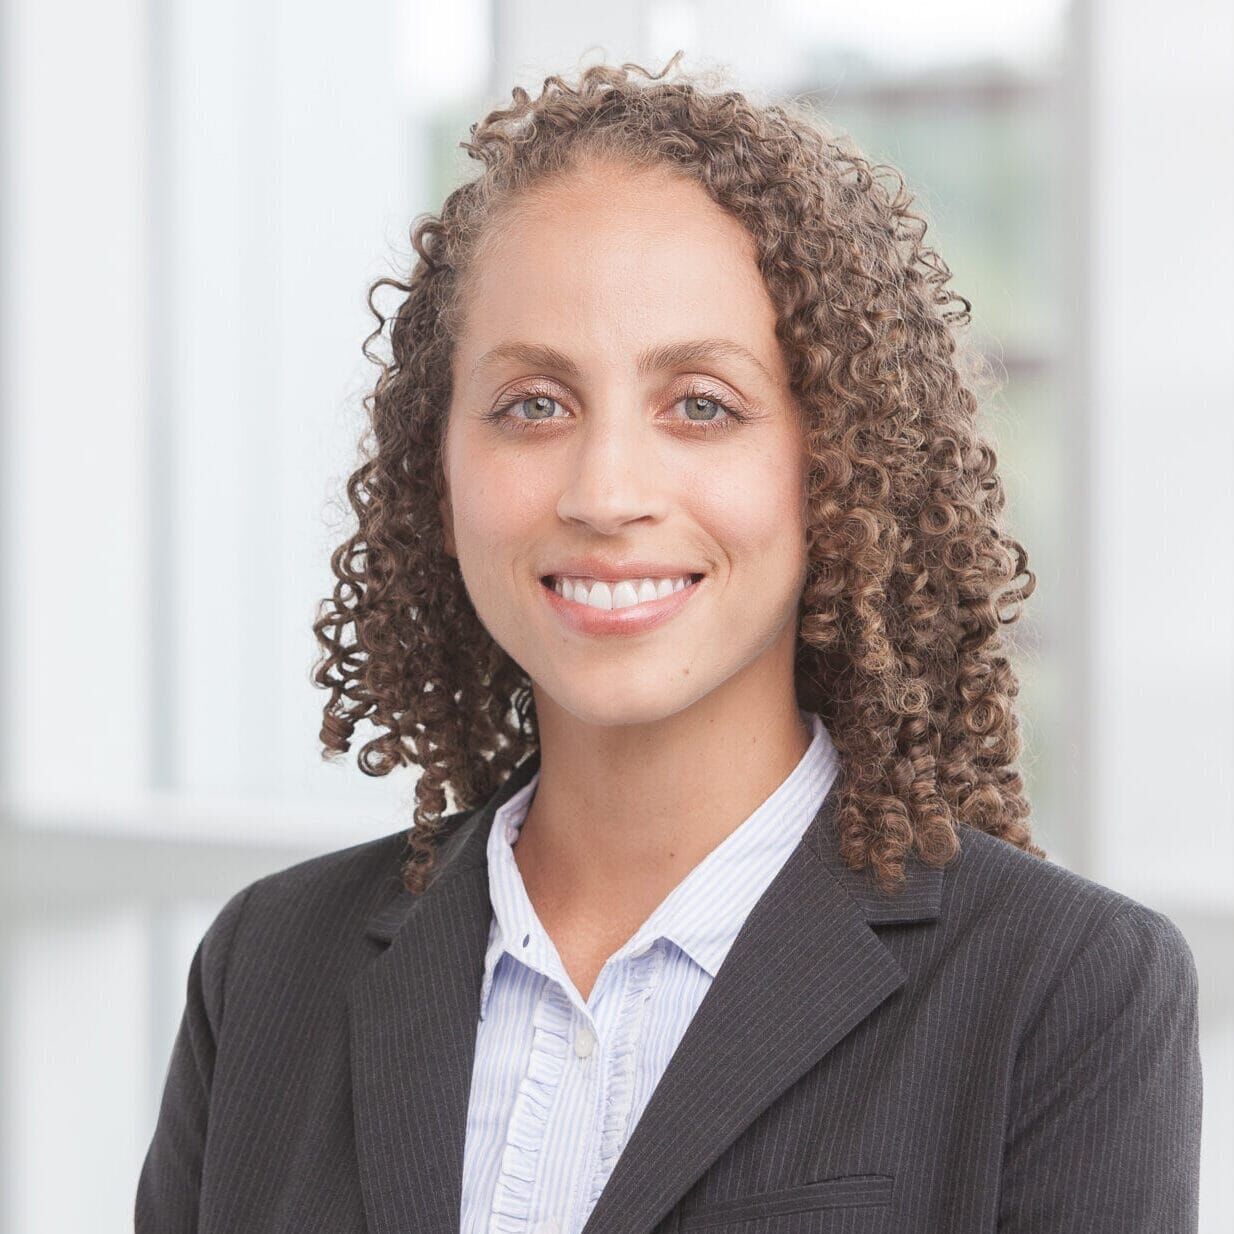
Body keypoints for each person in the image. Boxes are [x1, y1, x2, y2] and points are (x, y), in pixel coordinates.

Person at [135, 51, 1202, 1234]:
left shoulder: (1061, 991)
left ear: (835, 465)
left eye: (701, 403)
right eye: (533, 403)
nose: (604, 489)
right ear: (437, 468)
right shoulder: (270, 968)